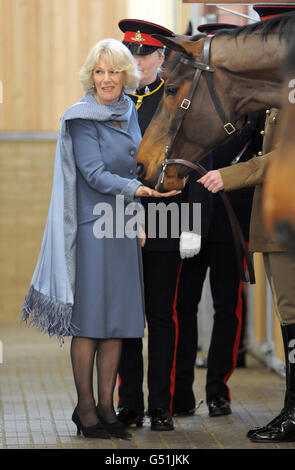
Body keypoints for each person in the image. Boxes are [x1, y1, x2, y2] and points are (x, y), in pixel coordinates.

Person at [21, 38, 178, 440]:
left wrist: (139, 219)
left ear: (125, 75)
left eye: (112, 71)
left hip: (123, 227)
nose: (106, 79)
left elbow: (136, 165)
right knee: (89, 324)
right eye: (98, 71)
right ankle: (86, 410)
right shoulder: (81, 117)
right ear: (90, 75)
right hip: (92, 229)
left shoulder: (129, 111)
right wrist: (141, 192)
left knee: (117, 323)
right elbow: (93, 174)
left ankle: (108, 409)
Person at [197, 3, 295, 444]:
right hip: (277, 224)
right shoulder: (280, 86)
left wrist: (229, 175)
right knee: (288, 318)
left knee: (292, 318)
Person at [170, 22, 267, 419]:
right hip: (191, 219)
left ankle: (218, 391)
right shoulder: (193, 96)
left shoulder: (255, 97)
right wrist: (190, 221)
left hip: (231, 216)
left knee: (228, 307)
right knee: (183, 305)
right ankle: (179, 392)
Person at [117, 19, 194, 431]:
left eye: (144, 53)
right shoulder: (113, 99)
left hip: (166, 216)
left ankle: (160, 404)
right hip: (121, 218)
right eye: (131, 52)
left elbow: (199, 162)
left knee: (161, 316)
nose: (136, 60)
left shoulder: (174, 98)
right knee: (127, 317)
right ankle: (129, 402)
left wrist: (192, 224)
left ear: (161, 58)